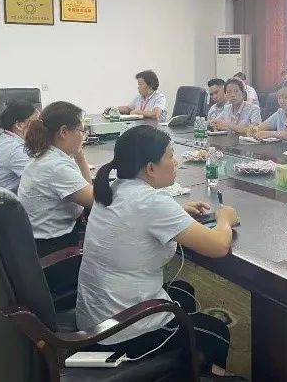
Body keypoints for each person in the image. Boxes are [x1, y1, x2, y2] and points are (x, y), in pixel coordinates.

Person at [76, 125, 244, 380]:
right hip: (122, 335)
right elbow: (219, 246)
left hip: (95, 318)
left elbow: (138, 218)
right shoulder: (151, 202)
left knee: (183, 292)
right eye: (170, 156)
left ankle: (191, 367)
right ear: (150, 168)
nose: (176, 162)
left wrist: (177, 214)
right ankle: (205, 373)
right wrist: (225, 219)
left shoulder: (112, 188)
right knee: (215, 331)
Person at [18, 101, 93, 257]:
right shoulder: (56, 167)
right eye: (81, 131)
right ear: (63, 132)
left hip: (38, 244)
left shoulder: (46, 156)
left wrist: (80, 156)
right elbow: (94, 201)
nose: (83, 136)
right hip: (56, 250)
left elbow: (87, 187)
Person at [0, 100, 38, 193]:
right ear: (19, 125)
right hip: (6, 200)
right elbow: (39, 182)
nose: (41, 127)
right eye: (36, 122)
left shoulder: (5, 139)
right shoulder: (15, 149)